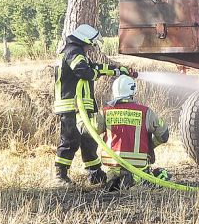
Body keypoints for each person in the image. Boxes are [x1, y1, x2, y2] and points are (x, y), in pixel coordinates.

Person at [52, 24, 136, 186]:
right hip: (71, 106)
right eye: (91, 44)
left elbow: (93, 67)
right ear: (84, 39)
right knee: (70, 140)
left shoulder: (78, 53)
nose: (91, 47)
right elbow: (85, 72)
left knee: (89, 139)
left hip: (81, 106)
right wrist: (95, 73)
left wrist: (117, 70)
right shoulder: (72, 52)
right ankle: (60, 175)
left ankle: (95, 174)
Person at [93, 75, 170, 191]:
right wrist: (150, 146)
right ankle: (137, 182)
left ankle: (118, 183)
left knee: (114, 183)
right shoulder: (145, 112)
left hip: (113, 172)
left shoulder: (105, 112)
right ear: (132, 90)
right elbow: (164, 135)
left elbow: (91, 131)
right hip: (138, 170)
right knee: (163, 175)